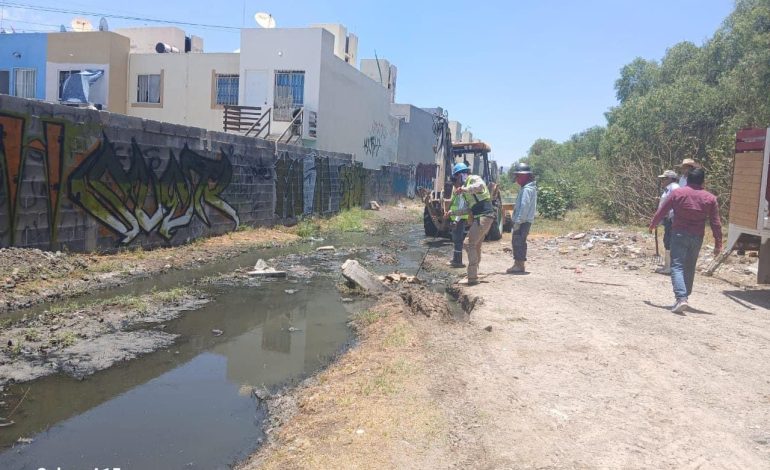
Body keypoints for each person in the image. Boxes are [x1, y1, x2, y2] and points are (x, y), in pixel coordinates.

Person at [649, 168, 722, 313]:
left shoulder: (678, 193)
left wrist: (653, 224)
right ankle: (684, 296)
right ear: (703, 181)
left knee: (677, 266)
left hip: (679, 234)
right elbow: (716, 222)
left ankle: (681, 298)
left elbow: (663, 210)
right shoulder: (710, 198)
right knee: (689, 266)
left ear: (687, 180)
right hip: (697, 236)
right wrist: (718, 243)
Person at [446, 162, 496, 285]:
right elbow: (467, 210)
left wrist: (464, 189)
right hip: (482, 217)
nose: (455, 181)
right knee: (476, 245)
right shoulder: (465, 191)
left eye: (455, 178)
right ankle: (474, 274)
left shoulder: (473, 179)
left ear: (461, 175)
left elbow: (480, 186)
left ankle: (472, 277)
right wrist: (452, 213)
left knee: (468, 244)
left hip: (484, 216)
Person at [506, 162, 538, 274]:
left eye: (518, 176)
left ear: (525, 176)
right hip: (525, 221)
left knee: (518, 242)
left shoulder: (526, 190)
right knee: (519, 242)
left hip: (523, 221)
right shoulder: (528, 188)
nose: (517, 178)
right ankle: (519, 264)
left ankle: (519, 265)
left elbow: (524, 207)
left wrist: (518, 222)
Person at [655, 169, 680, 274]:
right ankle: (667, 266)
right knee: (667, 240)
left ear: (670, 179)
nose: (662, 181)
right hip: (668, 218)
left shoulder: (674, 188)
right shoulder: (669, 189)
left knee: (669, 241)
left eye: (664, 179)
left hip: (672, 218)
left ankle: (669, 267)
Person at [446, 175, 469, 268]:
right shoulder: (456, 192)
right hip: (456, 218)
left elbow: (461, 207)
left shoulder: (462, 193)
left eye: (454, 183)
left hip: (459, 219)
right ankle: (455, 259)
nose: (454, 185)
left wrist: (455, 220)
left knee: (458, 240)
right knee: (455, 239)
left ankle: (458, 261)